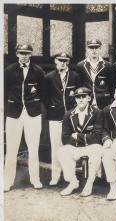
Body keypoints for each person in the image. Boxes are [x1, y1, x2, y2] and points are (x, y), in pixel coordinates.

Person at [4, 44, 46, 191]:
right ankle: (7, 181)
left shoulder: (38, 71)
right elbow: (4, 91)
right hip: (14, 114)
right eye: (21, 53)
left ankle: (35, 179)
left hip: (33, 114)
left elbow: (43, 92)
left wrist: (36, 106)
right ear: (17, 54)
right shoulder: (9, 70)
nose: (24, 56)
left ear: (31, 54)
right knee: (11, 149)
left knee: (33, 148)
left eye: (27, 53)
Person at [57, 87, 103, 197]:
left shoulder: (97, 113)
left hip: (92, 146)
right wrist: (85, 137)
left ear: (89, 98)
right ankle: (73, 182)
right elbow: (65, 138)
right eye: (78, 97)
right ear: (75, 99)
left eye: (83, 97)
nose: (81, 99)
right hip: (76, 146)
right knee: (62, 151)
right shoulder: (69, 114)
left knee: (97, 151)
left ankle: (89, 183)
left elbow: (97, 137)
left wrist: (77, 136)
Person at [45, 52, 80, 186]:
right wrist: (53, 108)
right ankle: (55, 175)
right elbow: (45, 96)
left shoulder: (75, 76)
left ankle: (70, 176)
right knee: (56, 147)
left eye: (65, 61)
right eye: (60, 60)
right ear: (55, 61)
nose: (62, 63)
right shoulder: (49, 77)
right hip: (55, 116)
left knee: (71, 146)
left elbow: (78, 95)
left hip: (72, 118)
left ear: (68, 62)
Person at [76, 39, 112, 110]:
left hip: (103, 102)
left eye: (96, 47)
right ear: (87, 49)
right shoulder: (81, 65)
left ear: (100, 49)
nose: (94, 50)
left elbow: (111, 84)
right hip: (87, 101)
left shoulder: (107, 65)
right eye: (91, 48)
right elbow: (79, 84)